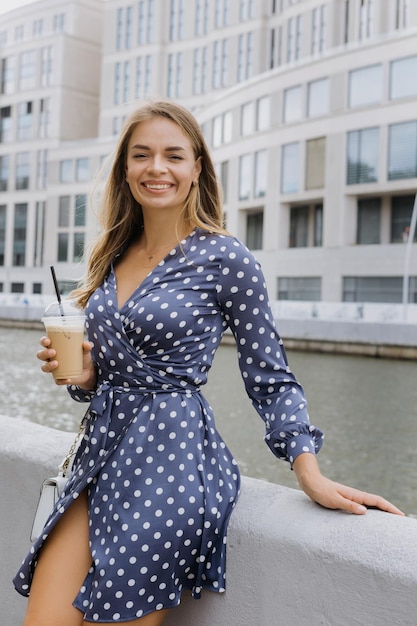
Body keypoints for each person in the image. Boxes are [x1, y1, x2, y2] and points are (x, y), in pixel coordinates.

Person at [14, 100, 404, 626]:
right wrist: (86, 377)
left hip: (169, 465)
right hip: (98, 457)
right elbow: (105, 373)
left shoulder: (226, 258)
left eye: (173, 155)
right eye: (141, 155)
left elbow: (270, 376)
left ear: (197, 167)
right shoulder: (112, 253)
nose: (157, 168)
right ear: (125, 168)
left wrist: (307, 470)